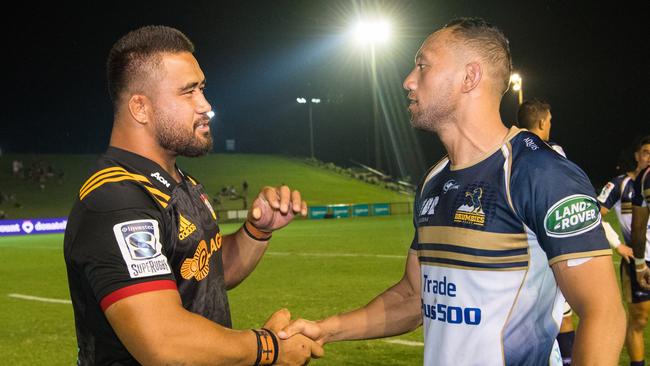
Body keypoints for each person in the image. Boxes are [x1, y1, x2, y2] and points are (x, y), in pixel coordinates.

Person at [280, 17, 625, 365]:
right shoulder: (433, 180)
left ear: (469, 77)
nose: (408, 81)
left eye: (423, 66)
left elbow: (602, 312)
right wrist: (328, 329)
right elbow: (413, 297)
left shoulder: (540, 173)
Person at [63, 25, 321, 366]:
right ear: (140, 107)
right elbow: (164, 344)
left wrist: (256, 232)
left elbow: (205, 271)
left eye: (202, 89)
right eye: (189, 92)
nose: (206, 105)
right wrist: (269, 348)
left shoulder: (183, 183)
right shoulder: (117, 199)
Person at [518, 98, 575, 365]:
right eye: (550, 120)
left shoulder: (505, 149)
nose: (550, 125)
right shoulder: (552, 152)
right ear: (542, 122)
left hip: (512, 252)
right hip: (545, 250)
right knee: (558, 313)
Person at [629, 140, 650, 365]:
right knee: (639, 319)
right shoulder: (626, 182)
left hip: (643, 260)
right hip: (645, 258)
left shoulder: (644, 179)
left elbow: (638, 226)